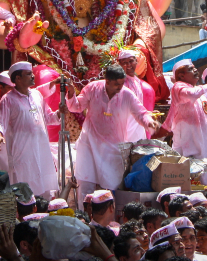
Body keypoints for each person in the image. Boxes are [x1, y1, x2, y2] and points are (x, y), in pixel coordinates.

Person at [68, 65, 159, 199]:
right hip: (89, 143)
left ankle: (111, 217)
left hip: (113, 147)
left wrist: (149, 122)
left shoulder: (127, 94)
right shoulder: (93, 88)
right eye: (116, 84)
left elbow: (141, 113)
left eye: (122, 83)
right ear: (107, 81)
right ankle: (84, 216)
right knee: (86, 184)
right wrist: (70, 94)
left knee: (112, 185)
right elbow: (76, 107)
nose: (120, 87)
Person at [0, 61, 63, 198]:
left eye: (32, 73)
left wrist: (59, 113)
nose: (32, 76)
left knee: (45, 190)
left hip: (41, 149)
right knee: (26, 191)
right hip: (23, 152)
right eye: (28, 74)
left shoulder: (37, 95)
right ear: (17, 79)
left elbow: (48, 117)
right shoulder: (8, 100)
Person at [166, 59, 207, 186]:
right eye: (191, 69)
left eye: (195, 68)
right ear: (181, 75)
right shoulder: (178, 87)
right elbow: (192, 94)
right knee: (190, 180)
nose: (196, 71)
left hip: (205, 144)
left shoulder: (202, 95)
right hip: (189, 144)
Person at [117, 50, 157, 141]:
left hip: (139, 123)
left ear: (136, 61)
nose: (128, 65)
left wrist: (148, 113)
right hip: (125, 123)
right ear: (120, 65)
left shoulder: (137, 81)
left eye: (131, 61)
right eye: (124, 63)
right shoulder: (119, 82)